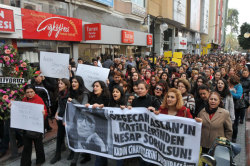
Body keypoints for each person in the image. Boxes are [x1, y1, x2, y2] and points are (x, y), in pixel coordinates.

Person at [20, 84, 47, 166]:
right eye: (27, 92)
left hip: (37, 127)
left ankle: (40, 160)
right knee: (27, 146)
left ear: (34, 92)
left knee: (38, 145)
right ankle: (25, 163)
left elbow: (45, 112)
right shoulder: (24, 99)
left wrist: (44, 113)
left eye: (31, 92)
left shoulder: (39, 100)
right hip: (26, 127)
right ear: (25, 93)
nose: (30, 94)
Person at [85, 80, 111, 166]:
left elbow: (108, 110)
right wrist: (88, 105)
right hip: (95, 126)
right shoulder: (92, 97)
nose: (95, 88)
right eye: (94, 86)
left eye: (97, 86)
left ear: (102, 88)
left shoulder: (107, 98)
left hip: (104, 126)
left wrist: (100, 106)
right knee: (99, 150)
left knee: (102, 149)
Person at [67, 76, 90, 166]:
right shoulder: (73, 92)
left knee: (79, 140)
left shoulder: (85, 93)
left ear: (80, 83)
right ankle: (87, 156)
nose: (73, 83)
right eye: (72, 82)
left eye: (75, 82)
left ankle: (74, 162)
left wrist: (72, 100)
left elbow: (83, 107)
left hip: (83, 120)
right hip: (75, 118)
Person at [50, 78, 70, 164]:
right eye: (59, 83)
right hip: (60, 118)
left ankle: (73, 153)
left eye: (61, 83)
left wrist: (65, 119)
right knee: (59, 137)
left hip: (67, 119)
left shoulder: (69, 95)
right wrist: (56, 113)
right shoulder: (59, 94)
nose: (59, 85)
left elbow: (68, 109)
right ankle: (57, 155)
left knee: (70, 137)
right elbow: (59, 105)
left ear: (66, 85)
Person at [228, 75, 243, 143]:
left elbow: (238, 96)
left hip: (236, 106)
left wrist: (230, 92)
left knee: (235, 122)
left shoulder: (239, 86)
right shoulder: (229, 86)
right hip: (229, 105)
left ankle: (234, 137)